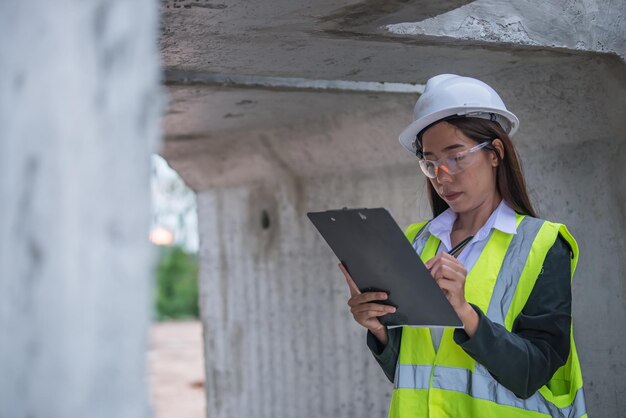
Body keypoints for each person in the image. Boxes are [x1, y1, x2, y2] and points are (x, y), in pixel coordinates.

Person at [338, 74, 586, 418]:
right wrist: (379, 328)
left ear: (495, 153)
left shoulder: (542, 244)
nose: (442, 175)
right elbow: (412, 373)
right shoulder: (416, 241)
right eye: (430, 163)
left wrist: (466, 315)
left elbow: (534, 371)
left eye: (456, 157)